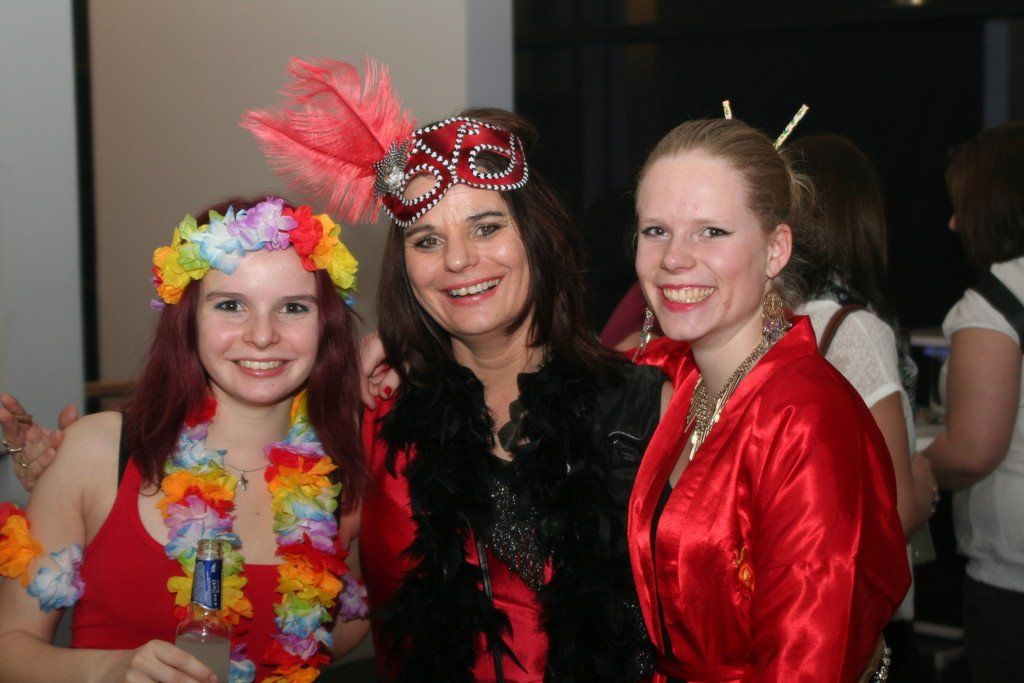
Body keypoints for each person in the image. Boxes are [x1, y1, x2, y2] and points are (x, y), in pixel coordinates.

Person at [0, 196, 369, 682]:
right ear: (188, 318)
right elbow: (9, 648)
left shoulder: (349, 472)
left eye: (293, 307)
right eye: (231, 305)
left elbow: (342, 626)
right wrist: (109, 670)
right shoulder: (96, 452)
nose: (262, 336)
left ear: (327, 325)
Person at [626, 117, 910, 681]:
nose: (674, 258)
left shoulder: (808, 418)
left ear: (776, 249)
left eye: (711, 231)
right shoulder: (682, 380)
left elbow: (806, 661)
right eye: (656, 230)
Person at [921, 122, 1024, 681]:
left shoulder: (994, 303)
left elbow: (973, 450)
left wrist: (906, 469)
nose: (953, 224)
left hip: (1013, 579)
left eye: (962, 207)